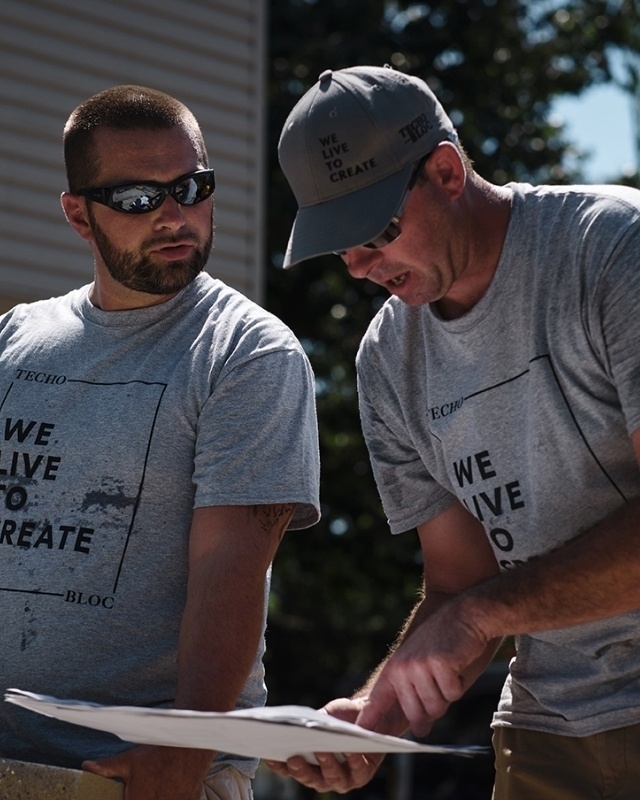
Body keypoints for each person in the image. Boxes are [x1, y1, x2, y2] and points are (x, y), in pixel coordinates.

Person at [268, 64, 640, 799]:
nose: (359, 267)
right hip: (545, 733)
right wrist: (376, 716)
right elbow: (460, 584)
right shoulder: (387, 359)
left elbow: (479, 608)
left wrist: (483, 613)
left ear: (445, 171)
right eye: (338, 244)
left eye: (375, 231)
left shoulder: (612, 249)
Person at [0, 85, 320, 800]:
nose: (175, 216)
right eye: (138, 198)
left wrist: (183, 750)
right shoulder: (15, 339)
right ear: (78, 215)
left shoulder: (247, 352)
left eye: (192, 187)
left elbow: (231, 569)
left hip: (142, 773)